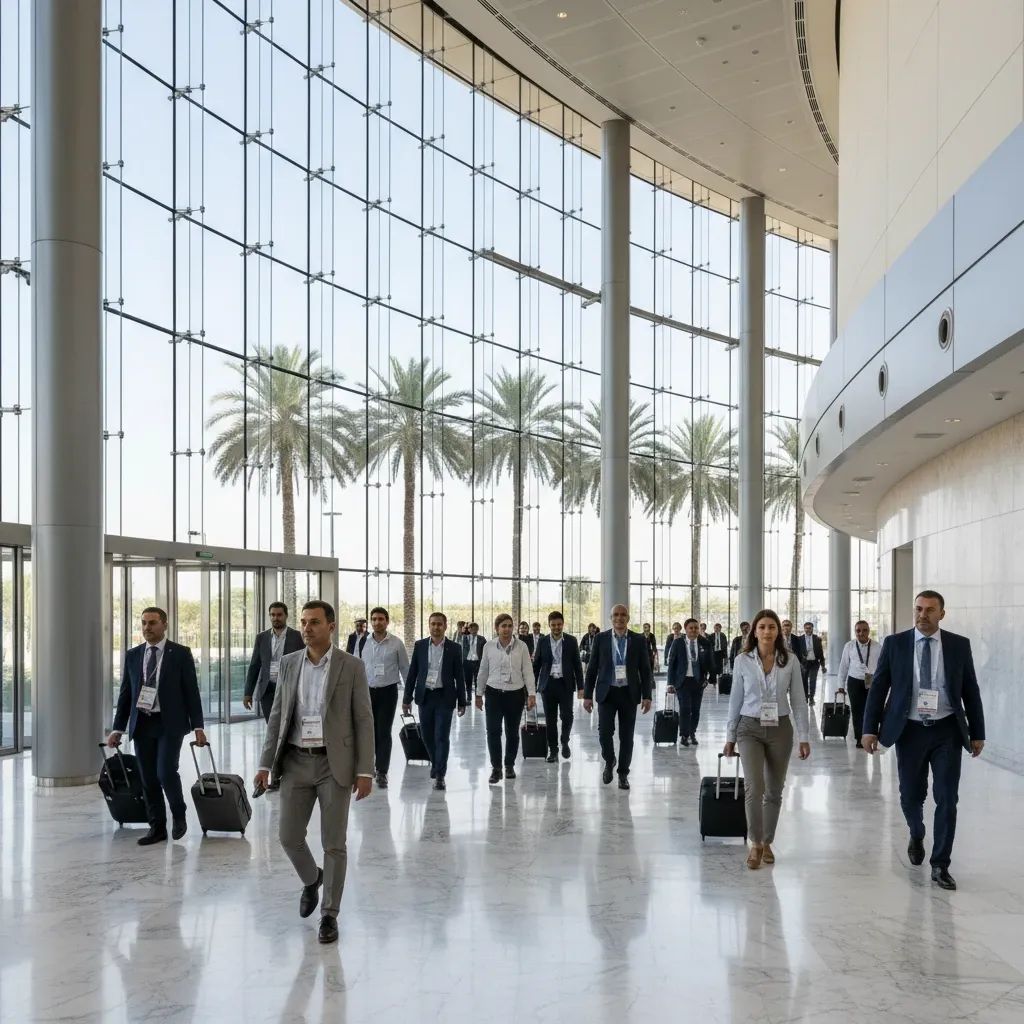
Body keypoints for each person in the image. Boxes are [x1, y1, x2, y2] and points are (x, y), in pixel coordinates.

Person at [254, 600, 374, 945]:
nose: (306, 628)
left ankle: (329, 915)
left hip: (333, 763)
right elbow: (277, 716)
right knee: (288, 836)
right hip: (294, 761)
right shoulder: (290, 663)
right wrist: (265, 764)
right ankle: (311, 878)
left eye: (315, 622)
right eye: (304, 622)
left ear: (331, 626)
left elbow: (364, 719)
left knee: (334, 843)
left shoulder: (351, 666)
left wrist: (365, 769)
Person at [862, 591, 985, 891]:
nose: (923, 615)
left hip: (946, 731)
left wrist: (978, 731)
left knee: (947, 798)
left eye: (930, 610)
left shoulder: (958, 645)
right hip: (910, 730)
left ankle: (941, 864)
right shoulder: (895, 644)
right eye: (918, 609)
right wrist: (869, 728)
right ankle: (917, 833)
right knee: (910, 795)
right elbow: (879, 688)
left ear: (942, 614)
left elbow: (970, 688)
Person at [108, 607, 207, 846]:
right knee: (148, 778)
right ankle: (157, 827)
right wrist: (117, 729)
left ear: (164, 625)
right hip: (142, 723)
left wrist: (198, 727)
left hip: (169, 723)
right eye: (143, 623)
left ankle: (179, 813)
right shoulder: (133, 655)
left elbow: (191, 692)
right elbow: (126, 695)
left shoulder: (180, 653)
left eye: (152, 623)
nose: (146, 628)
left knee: (165, 772)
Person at [723, 608, 810, 869]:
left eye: (771, 627)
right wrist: (730, 735)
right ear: (754, 631)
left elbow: (798, 699)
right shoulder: (742, 660)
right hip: (749, 727)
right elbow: (735, 699)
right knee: (754, 787)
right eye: (762, 627)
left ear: (778, 631)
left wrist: (804, 736)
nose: (767, 631)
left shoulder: (790, 660)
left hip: (780, 728)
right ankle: (755, 844)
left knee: (774, 790)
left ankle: (767, 841)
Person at [583, 605, 653, 791]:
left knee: (627, 736)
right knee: (604, 732)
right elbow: (592, 668)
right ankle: (609, 759)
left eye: (623, 615)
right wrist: (587, 695)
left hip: (629, 693)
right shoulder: (600, 638)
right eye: (616, 615)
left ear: (628, 618)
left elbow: (645, 670)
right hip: (607, 692)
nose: (619, 618)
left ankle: (623, 774)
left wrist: (647, 695)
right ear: (610, 618)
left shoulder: (638, 640)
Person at [403, 612, 466, 790]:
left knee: (441, 736)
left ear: (445, 626)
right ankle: (435, 762)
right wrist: (406, 699)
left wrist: (462, 700)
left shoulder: (454, 648)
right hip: (425, 697)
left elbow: (459, 676)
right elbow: (412, 673)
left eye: (439, 624)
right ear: (428, 626)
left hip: (445, 697)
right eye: (433, 624)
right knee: (427, 735)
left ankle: (439, 774)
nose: (436, 627)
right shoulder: (420, 645)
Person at [475, 613, 537, 784]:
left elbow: (528, 671)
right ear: (497, 628)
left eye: (510, 625)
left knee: (512, 732)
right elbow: (483, 671)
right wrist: (478, 694)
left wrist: (531, 694)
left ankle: (509, 765)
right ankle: (496, 768)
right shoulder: (488, 646)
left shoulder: (522, 646)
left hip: (515, 695)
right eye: (503, 626)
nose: (507, 629)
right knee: (493, 732)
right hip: (494, 694)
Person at [359, 606, 409, 788]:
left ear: (387, 621)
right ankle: (367, 767)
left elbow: (405, 669)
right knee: (368, 731)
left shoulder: (396, 643)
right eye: (374, 619)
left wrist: (408, 696)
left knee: (383, 731)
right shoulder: (363, 642)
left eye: (381, 619)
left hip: (388, 691)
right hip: (366, 692)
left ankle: (382, 771)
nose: (377, 622)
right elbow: (356, 667)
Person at [534, 611, 584, 762]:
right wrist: (531, 687)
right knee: (550, 719)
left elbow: (577, 665)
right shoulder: (542, 641)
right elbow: (536, 665)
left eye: (559, 624)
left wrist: (581, 687)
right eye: (553, 625)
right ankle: (553, 750)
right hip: (548, 685)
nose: (556, 627)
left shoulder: (571, 640)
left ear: (563, 624)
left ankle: (565, 741)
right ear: (549, 625)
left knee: (567, 716)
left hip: (565, 684)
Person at [244, 602, 304, 724]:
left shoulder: (298, 636)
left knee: (288, 725)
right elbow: (254, 666)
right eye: (272, 615)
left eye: (279, 615)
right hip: (267, 689)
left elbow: (304, 664)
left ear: (286, 616)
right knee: (271, 725)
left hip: (289, 688)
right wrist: (248, 693)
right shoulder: (261, 637)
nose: (275, 618)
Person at [666, 618, 713, 746]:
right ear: (685, 629)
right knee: (685, 708)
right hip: (682, 681)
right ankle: (684, 735)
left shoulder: (705, 643)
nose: (694, 630)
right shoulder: (678, 643)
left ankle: (692, 732)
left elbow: (710, 662)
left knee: (696, 709)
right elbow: (672, 664)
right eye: (691, 628)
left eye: (696, 628)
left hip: (698, 681)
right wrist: (670, 683)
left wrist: (708, 678)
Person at [837, 620, 880, 748]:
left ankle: (871, 735)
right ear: (855, 632)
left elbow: (883, 667)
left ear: (869, 631)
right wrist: (840, 684)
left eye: (864, 630)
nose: (861, 633)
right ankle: (859, 738)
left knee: (871, 709)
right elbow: (843, 666)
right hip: (854, 681)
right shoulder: (849, 646)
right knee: (857, 711)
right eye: (858, 630)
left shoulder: (877, 647)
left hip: (871, 680)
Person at [794, 622, 825, 705]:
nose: (808, 629)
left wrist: (823, 665)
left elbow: (821, 653)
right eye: (806, 628)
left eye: (810, 628)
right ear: (804, 629)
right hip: (804, 663)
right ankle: (805, 697)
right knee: (804, 681)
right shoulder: (799, 639)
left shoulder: (817, 639)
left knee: (813, 680)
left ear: (812, 629)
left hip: (814, 663)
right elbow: (797, 652)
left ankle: (811, 697)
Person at [461, 622, 486, 704]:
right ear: (469, 629)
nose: (473, 630)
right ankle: (468, 698)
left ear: (477, 629)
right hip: (466, 662)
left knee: (477, 681)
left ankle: (477, 699)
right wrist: (464, 630)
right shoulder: (464, 638)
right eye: (471, 629)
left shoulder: (482, 639)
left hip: (477, 662)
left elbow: (485, 651)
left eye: (475, 629)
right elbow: (458, 642)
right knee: (467, 681)